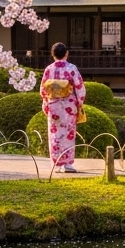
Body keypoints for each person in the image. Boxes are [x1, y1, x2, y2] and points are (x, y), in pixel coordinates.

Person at [40, 43, 87, 172]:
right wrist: (80, 102)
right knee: (68, 134)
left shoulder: (49, 69)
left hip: (53, 105)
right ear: (66, 53)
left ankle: (56, 164)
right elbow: (79, 87)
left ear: (53, 54)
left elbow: (43, 89)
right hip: (69, 106)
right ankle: (67, 164)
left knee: (54, 134)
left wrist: (45, 102)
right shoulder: (71, 68)